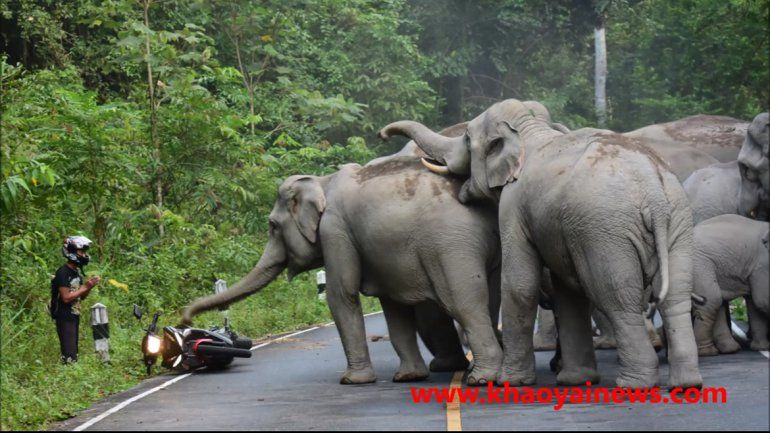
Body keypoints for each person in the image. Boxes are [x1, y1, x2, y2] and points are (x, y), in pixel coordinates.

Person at [50, 236, 100, 363]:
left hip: (74, 315)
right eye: (81, 251)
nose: (84, 255)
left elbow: (81, 296)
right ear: (72, 252)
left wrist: (89, 287)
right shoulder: (63, 272)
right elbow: (66, 298)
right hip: (64, 316)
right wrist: (85, 287)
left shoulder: (76, 272)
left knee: (73, 354)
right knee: (69, 356)